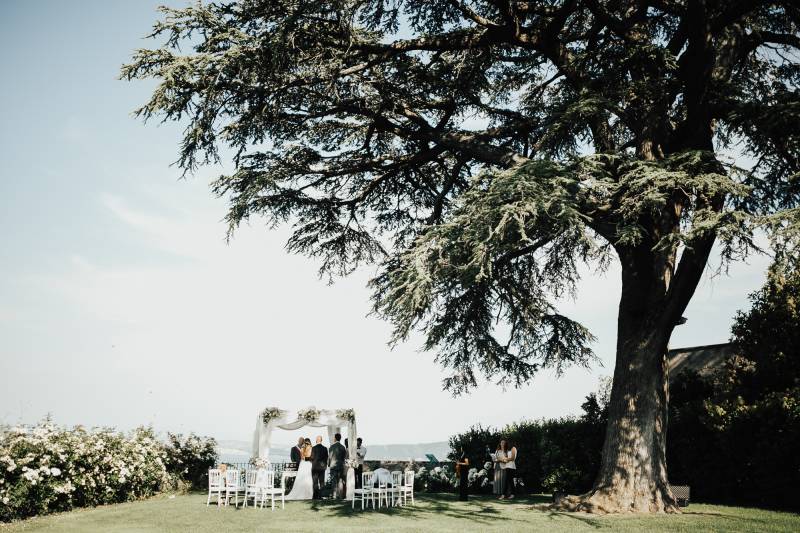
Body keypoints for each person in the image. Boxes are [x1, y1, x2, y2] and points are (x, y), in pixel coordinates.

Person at [328, 433, 348, 499]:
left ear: (335, 438)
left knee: (334, 481)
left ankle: (334, 495)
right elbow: (344, 457)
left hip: (333, 466)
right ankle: (340, 495)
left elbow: (330, 457)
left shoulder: (331, 446)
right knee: (340, 481)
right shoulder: (343, 447)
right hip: (340, 466)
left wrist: (328, 464)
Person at [311, 435, 328, 500]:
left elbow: (312, 457)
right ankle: (320, 496)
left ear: (316, 440)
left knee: (315, 482)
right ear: (321, 440)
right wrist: (325, 466)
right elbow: (326, 458)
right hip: (322, 467)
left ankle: (315, 496)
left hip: (315, 467)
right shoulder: (325, 448)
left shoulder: (313, 448)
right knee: (321, 482)